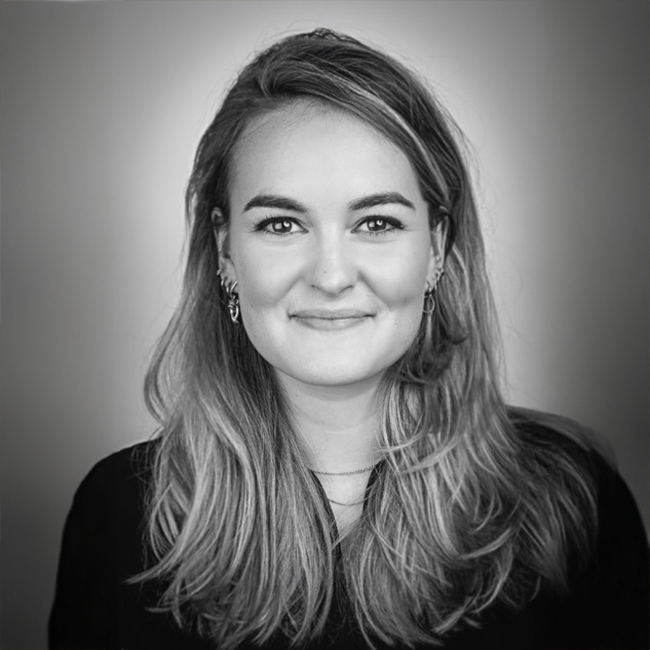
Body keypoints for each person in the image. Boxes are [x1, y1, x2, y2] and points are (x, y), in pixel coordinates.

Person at [49, 29, 649, 650]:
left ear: (436, 248)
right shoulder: (118, 516)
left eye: (376, 222)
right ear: (226, 251)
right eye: (282, 224)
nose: (331, 276)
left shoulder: (571, 505)